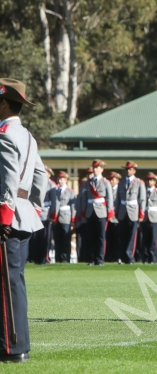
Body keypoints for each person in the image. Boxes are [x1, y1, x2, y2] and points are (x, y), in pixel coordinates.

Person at [0, 78, 47, 362]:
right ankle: (18, 345)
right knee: (15, 282)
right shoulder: (28, 136)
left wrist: (4, 216)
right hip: (24, 215)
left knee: (6, 285)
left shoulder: (5, 134)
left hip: (7, 219)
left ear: (4, 103)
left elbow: (7, 179)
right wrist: (33, 209)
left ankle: (12, 348)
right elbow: (41, 176)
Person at [83, 160, 114, 266]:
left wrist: (109, 212)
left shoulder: (106, 182)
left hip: (101, 211)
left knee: (101, 237)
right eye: (94, 168)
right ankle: (91, 259)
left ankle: (100, 259)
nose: (95, 170)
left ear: (102, 169)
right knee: (91, 236)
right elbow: (84, 197)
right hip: (90, 211)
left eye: (97, 168)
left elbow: (109, 198)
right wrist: (84, 210)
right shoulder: (88, 182)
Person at [116, 161, 145, 265]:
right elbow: (118, 199)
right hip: (123, 211)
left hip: (133, 212)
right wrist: (117, 211)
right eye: (127, 169)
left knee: (132, 237)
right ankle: (123, 257)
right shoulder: (121, 183)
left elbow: (142, 199)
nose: (128, 171)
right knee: (122, 236)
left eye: (130, 169)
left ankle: (130, 257)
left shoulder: (139, 182)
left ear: (134, 171)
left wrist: (141, 213)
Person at [30, 166, 55, 264]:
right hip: (36, 213)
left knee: (45, 237)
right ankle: (35, 257)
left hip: (45, 214)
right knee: (35, 237)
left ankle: (43, 257)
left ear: (49, 175)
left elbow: (53, 203)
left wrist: (52, 215)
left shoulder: (51, 185)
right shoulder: (36, 182)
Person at [50, 171, 76, 263]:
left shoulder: (70, 191)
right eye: (59, 179)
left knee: (65, 239)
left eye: (61, 179)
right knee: (57, 239)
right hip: (56, 218)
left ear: (66, 180)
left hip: (66, 218)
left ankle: (65, 258)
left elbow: (73, 207)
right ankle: (58, 258)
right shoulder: (55, 191)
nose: (60, 181)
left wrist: (72, 221)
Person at [141, 173, 157, 264]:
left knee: (153, 240)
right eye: (148, 180)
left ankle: (153, 258)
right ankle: (145, 258)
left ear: (155, 182)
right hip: (145, 218)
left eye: (151, 180)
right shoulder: (143, 192)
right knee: (145, 239)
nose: (149, 182)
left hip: (154, 218)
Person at [105, 172, 121, 263]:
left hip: (116, 217)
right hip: (108, 218)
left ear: (117, 181)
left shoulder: (120, 190)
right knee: (108, 238)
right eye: (110, 179)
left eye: (112, 179)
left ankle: (117, 256)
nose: (110, 181)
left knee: (117, 238)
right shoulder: (107, 189)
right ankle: (108, 256)